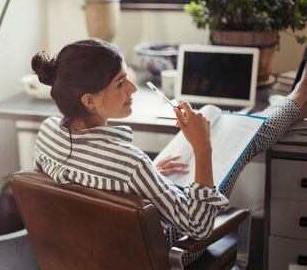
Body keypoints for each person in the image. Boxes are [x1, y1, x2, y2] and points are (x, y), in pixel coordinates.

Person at [31, 39, 307, 265]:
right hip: (160, 254)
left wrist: (138, 183)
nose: (133, 88)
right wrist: (202, 147)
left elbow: (79, 189)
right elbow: (199, 227)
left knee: (229, 139)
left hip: (90, 254)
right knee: (241, 142)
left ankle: (295, 103)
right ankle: (297, 100)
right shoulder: (131, 165)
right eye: (120, 83)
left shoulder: (48, 133)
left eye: (128, 77)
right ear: (88, 100)